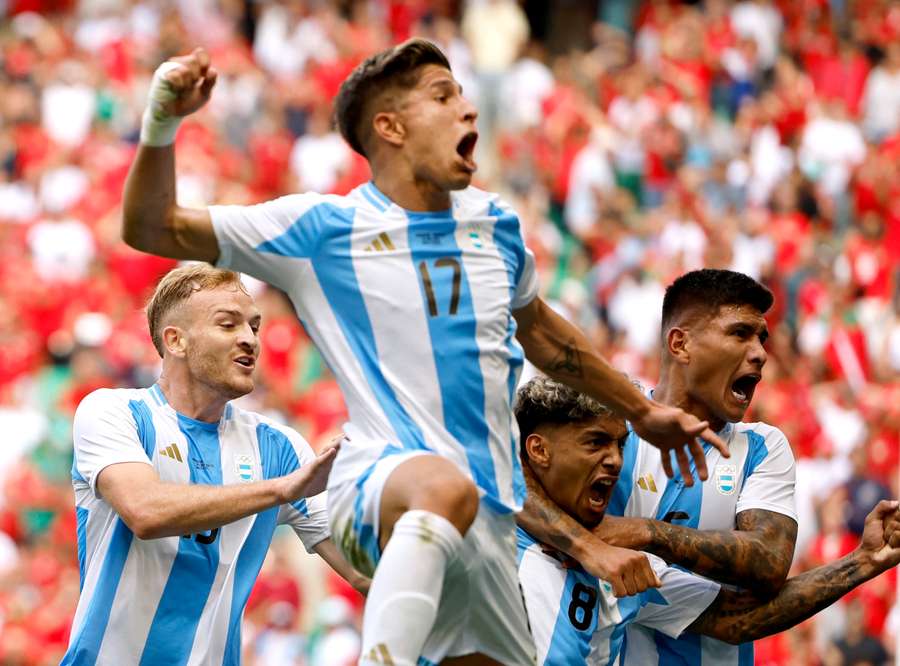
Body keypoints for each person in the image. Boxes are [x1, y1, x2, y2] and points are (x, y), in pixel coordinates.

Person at [122, 41, 729, 665]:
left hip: (488, 522)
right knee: (443, 484)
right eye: (443, 96)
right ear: (391, 127)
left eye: (463, 94)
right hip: (380, 486)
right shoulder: (323, 230)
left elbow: (544, 334)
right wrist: (163, 118)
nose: (467, 110)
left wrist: (642, 411)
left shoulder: (495, 224)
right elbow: (150, 226)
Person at [62, 264, 367, 665]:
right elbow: (145, 510)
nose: (249, 340)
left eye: (255, 328)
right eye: (228, 325)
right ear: (176, 341)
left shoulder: (280, 449)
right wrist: (280, 490)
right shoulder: (114, 412)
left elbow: (365, 574)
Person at [514, 375, 900, 664]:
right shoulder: (489, 531)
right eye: (595, 443)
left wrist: (862, 561)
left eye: (620, 444)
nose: (615, 460)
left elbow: (741, 617)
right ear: (538, 450)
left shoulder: (628, 568)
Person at [520, 269, 799, 664]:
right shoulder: (607, 419)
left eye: (761, 337)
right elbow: (509, 476)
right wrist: (585, 545)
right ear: (680, 344)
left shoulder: (762, 446)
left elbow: (770, 560)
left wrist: (645, 532)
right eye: (740, 334)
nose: (760, 353)